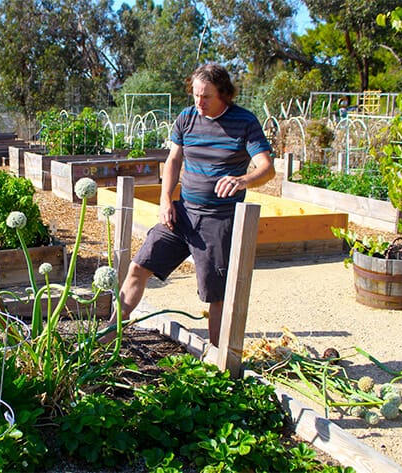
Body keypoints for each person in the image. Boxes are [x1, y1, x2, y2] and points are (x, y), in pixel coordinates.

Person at [104, 63, 275, 347]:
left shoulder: (244, 122)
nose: (199, 102)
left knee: (214, 294)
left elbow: (267, 168)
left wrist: (243, 180)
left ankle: (220, 360)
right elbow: (173, 160)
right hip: (182, 215)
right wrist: (165, 200)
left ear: (224, 94)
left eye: (206, 96)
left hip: (218, 221)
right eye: (195, 95)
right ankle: (108, 335)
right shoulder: (187, 118)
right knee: (139, 266)